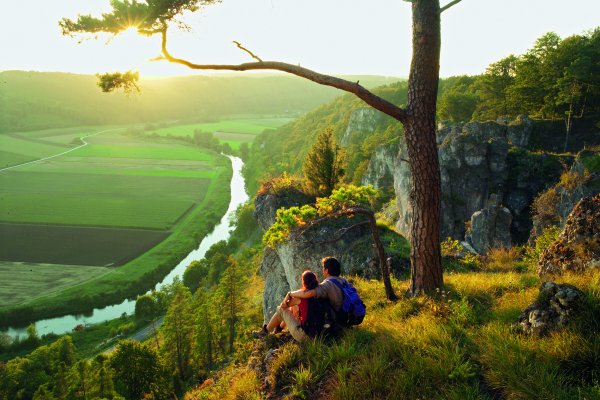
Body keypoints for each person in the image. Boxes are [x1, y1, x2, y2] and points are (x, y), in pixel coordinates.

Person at [253, 270, 320, 342]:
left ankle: (264, 332)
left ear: (303, 283)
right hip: (319, 334)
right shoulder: (320, 293)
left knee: (281, 309)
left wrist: (287, 297)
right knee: (293, 308)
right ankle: (278, 329)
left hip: (305, 336)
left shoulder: (301, 297)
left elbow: (283, 306)